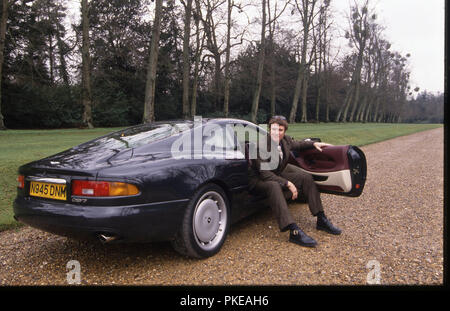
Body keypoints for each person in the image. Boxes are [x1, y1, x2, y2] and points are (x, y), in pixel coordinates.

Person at [248, 115, 341, 248]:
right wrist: (287, 183)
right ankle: (293, 230)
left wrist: (313, 144)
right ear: (269, 129)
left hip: (275, 174)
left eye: (280, 130)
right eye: (274, 129)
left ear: (284, 131)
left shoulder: (285, 140)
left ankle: (321, 218)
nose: (276, 133)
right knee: (274, 185)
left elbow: (298, 144)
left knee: (306, 177)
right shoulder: (259, 145)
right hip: (258, 180)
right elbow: (265, 174)